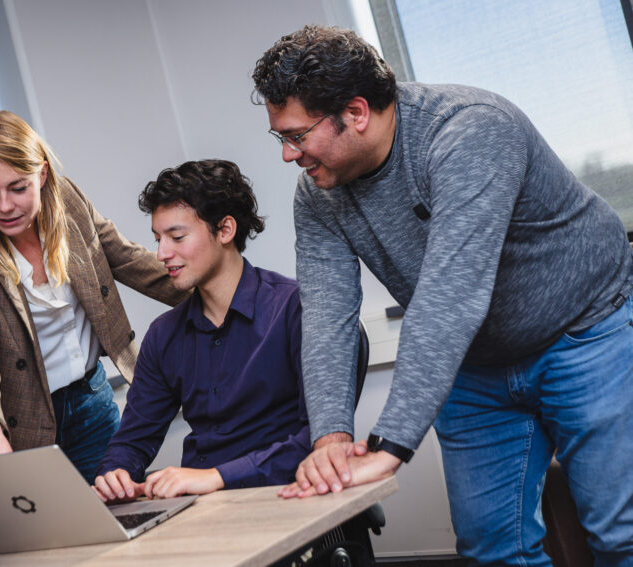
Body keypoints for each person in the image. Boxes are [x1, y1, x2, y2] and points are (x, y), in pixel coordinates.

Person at [251, 24, 633, 566]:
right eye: (281, 138)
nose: (290, 155)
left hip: (584, 331)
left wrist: (389, 448)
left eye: (297, 134)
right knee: (492, 549)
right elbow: (328, 316)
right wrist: (331, 438)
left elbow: (450, 295)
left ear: (356, 112)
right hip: (476, 364)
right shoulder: (319, 192)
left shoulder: (469, 131)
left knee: (621, 535)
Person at [0, 110, 188, 483]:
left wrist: (220, 287)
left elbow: (130, 260)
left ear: (43, 174)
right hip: (24, 428)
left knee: (121, 520)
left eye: (18, 188)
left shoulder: (70, 205)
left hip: (93, 405)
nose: (3, 206)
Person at [94, 159, 308, 502]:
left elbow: (320, 439)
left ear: (225, 230)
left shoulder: (293, 308)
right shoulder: (164, 335)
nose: (162, 253)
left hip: (280, 495)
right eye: (158, 239)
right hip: (201, 508)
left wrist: (217, 477)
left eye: (177, 237)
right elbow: (133, 441)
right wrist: (114, 474)